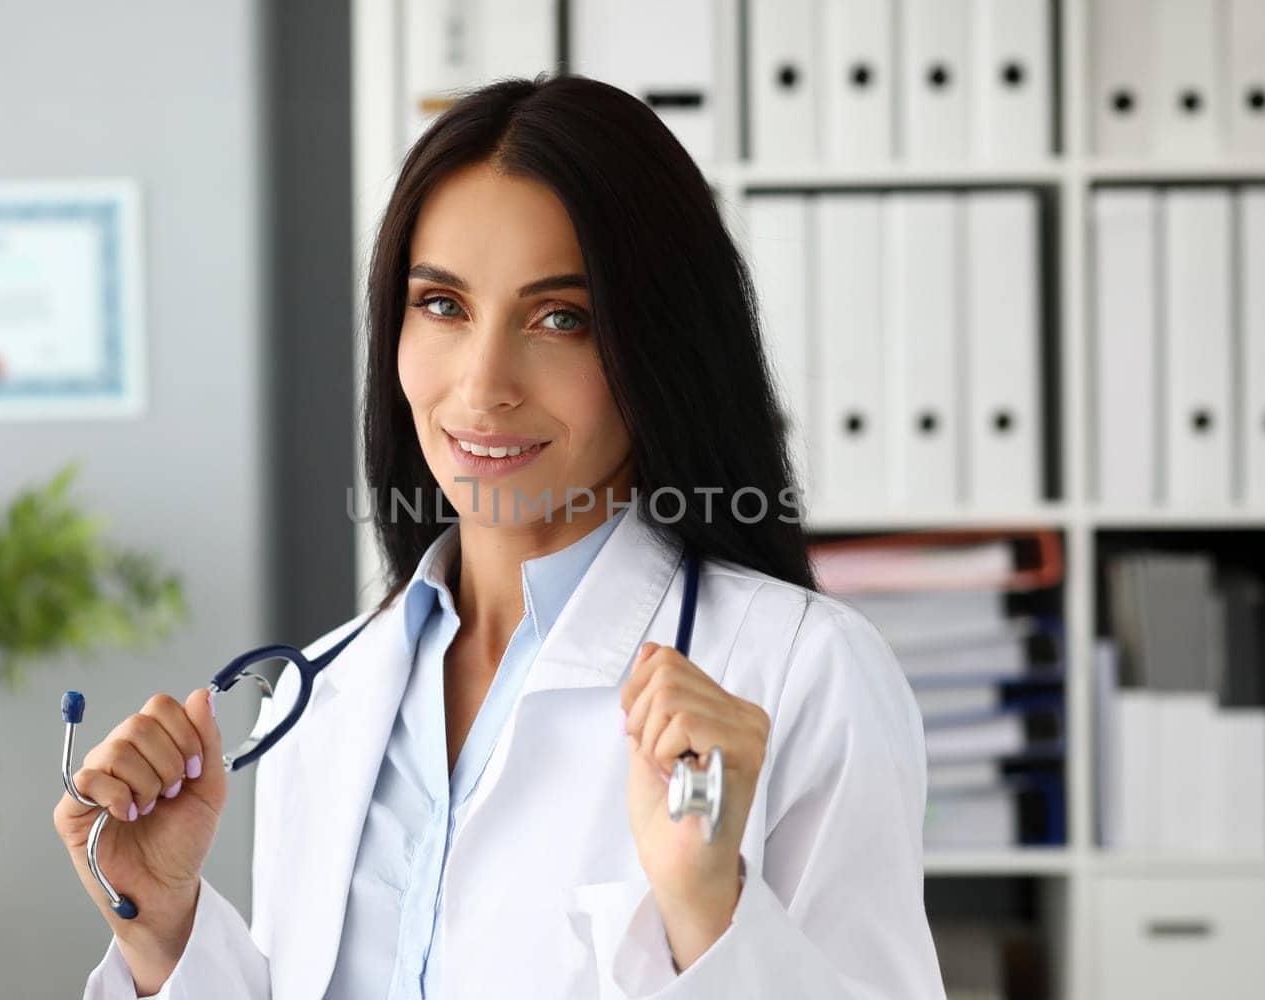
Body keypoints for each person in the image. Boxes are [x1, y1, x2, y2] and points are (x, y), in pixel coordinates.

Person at [55, 73, 944, 999]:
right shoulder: (323, 695)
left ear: (660, 347)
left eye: (561, 318)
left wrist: (708, 916)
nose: (483, 385)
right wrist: (164, 932)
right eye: (442, 305)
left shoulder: (802, 672)